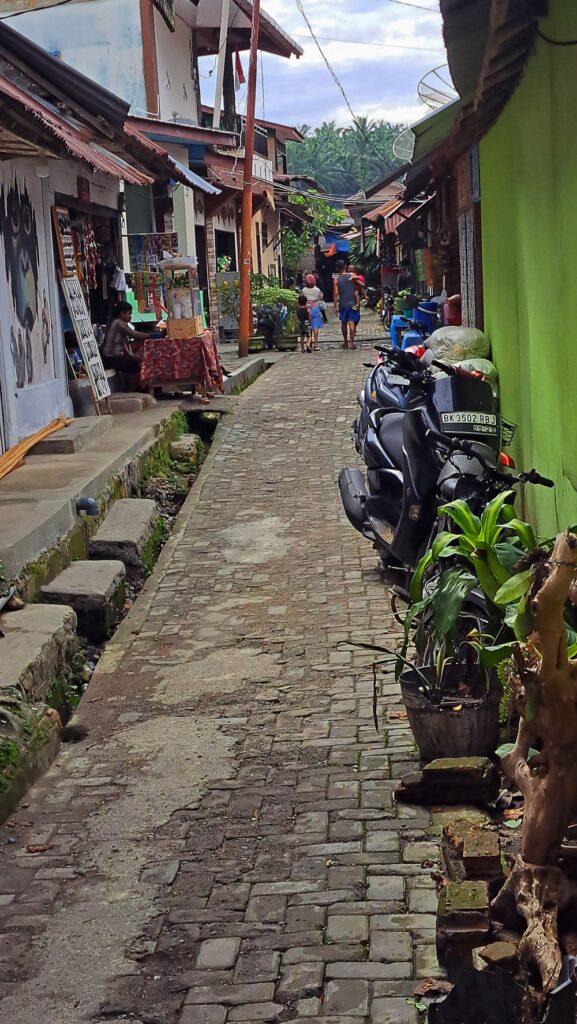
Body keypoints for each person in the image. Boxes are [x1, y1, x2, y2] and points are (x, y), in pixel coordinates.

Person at [102, 301, 151, 390]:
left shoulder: (114, 322)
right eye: (129, 313)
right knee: (137, 365)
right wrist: (150, 335)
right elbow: (133, 334)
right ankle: (132, 390)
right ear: (122, 313)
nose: (130, 316)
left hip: (110, 357)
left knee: (135, 361)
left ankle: (133, 388)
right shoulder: (119, 323)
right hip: (112, 358)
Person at [333, 260, 361, 349]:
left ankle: (345, 342)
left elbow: (336, 294)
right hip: (352, 302)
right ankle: (352, 343)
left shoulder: (336, 280)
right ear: (345, 266)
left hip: (343, 303)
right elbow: (361, 285)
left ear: (337, 269)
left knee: (344, 322)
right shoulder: (352, 276)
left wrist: (335, 306)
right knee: (351, 321)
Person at [301, 273, 324, 351]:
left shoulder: (303, 290)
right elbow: (321, 297)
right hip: (315, 309)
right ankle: (316, 344)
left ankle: (309, 342)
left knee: (308, 327)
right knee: (315, 327)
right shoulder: (317, 290)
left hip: (307, 309)